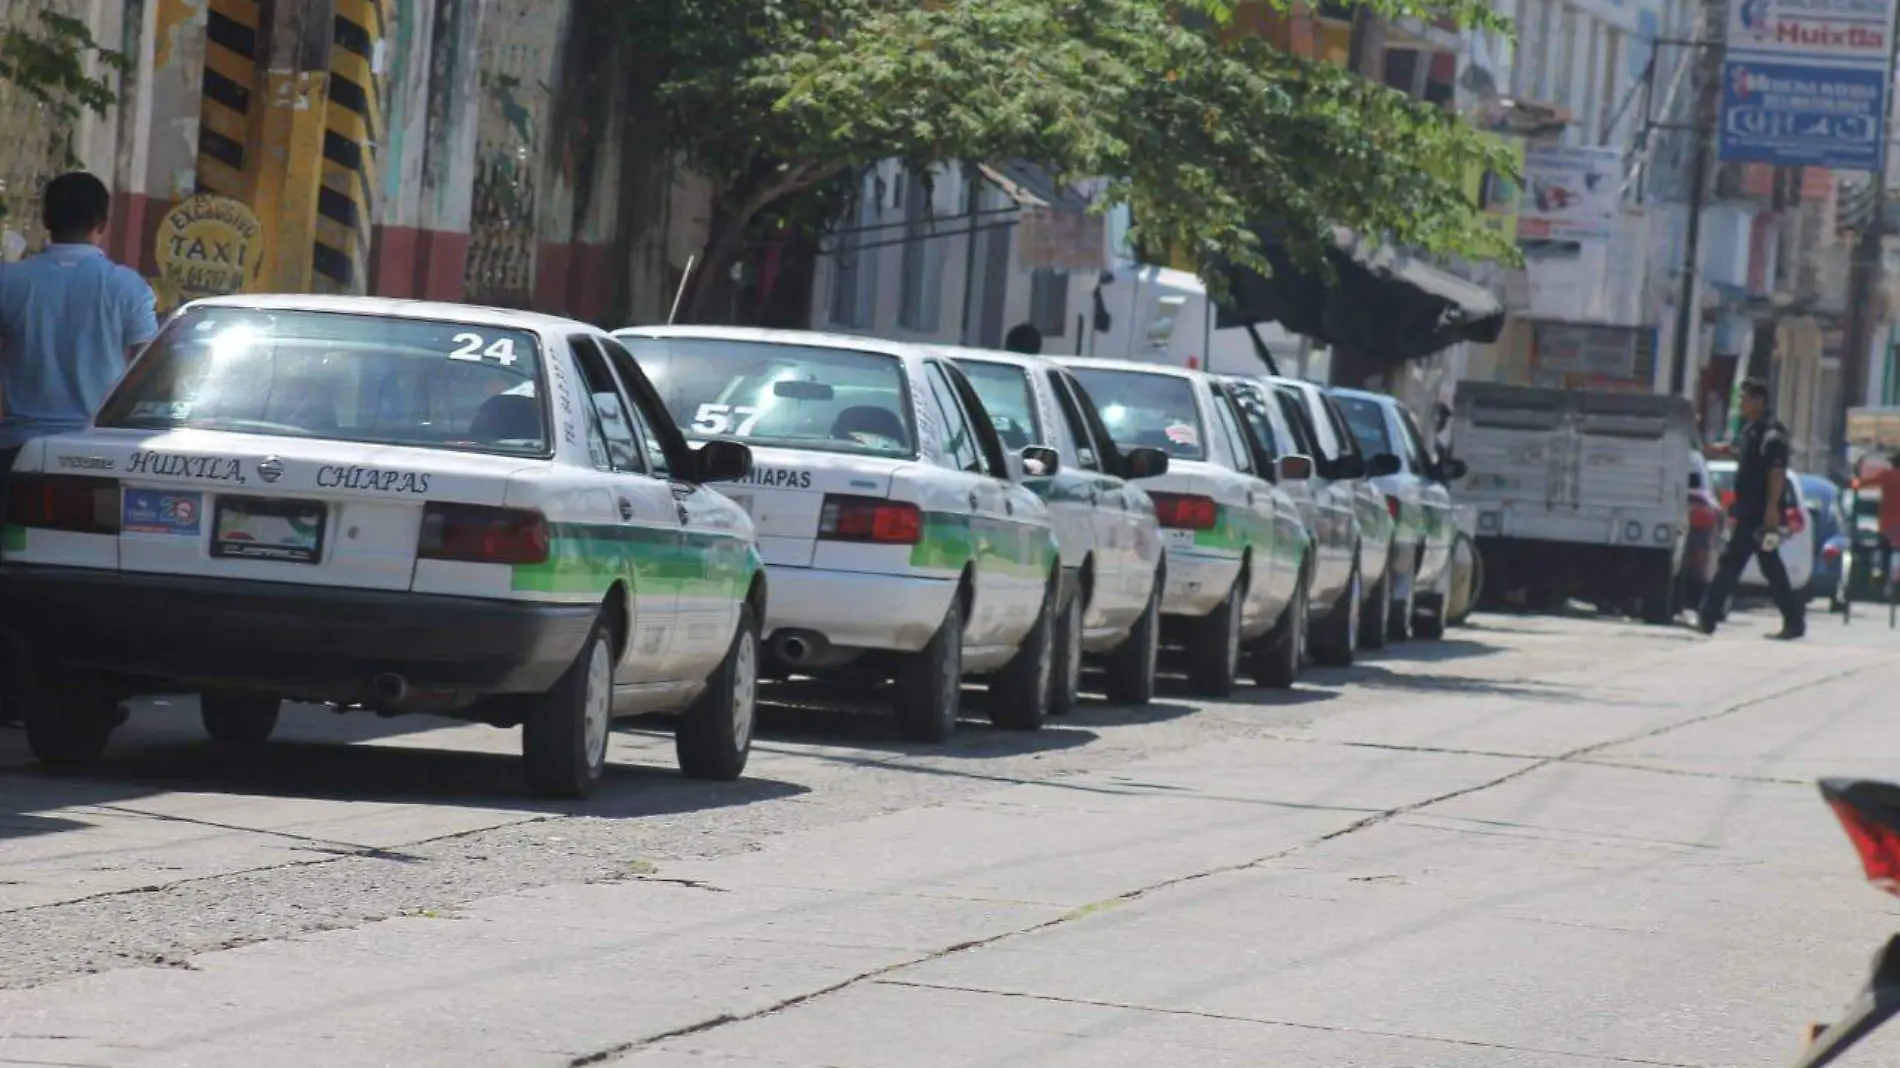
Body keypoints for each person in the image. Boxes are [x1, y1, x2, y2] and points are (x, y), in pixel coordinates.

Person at [0, 172, 159, 486]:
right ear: (101, 222)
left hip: (18, 451)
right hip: (97, 452)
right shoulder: (128, 287)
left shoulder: (9, 282)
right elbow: (149, 372)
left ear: (46, 219)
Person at [1698, 378, 1803, 639]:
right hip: (1749, 510)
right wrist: (1721, 451)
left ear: (1759, 401)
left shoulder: (1772, 434)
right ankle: (1794, 621)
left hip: (1759, 514)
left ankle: (1708, 617)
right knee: (1770, 566)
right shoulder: (1751, 431)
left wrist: (1771, 510)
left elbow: (1776, 474)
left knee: (1731, 562)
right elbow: (1745, 456)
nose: (1741, 405)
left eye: (1745, 399)